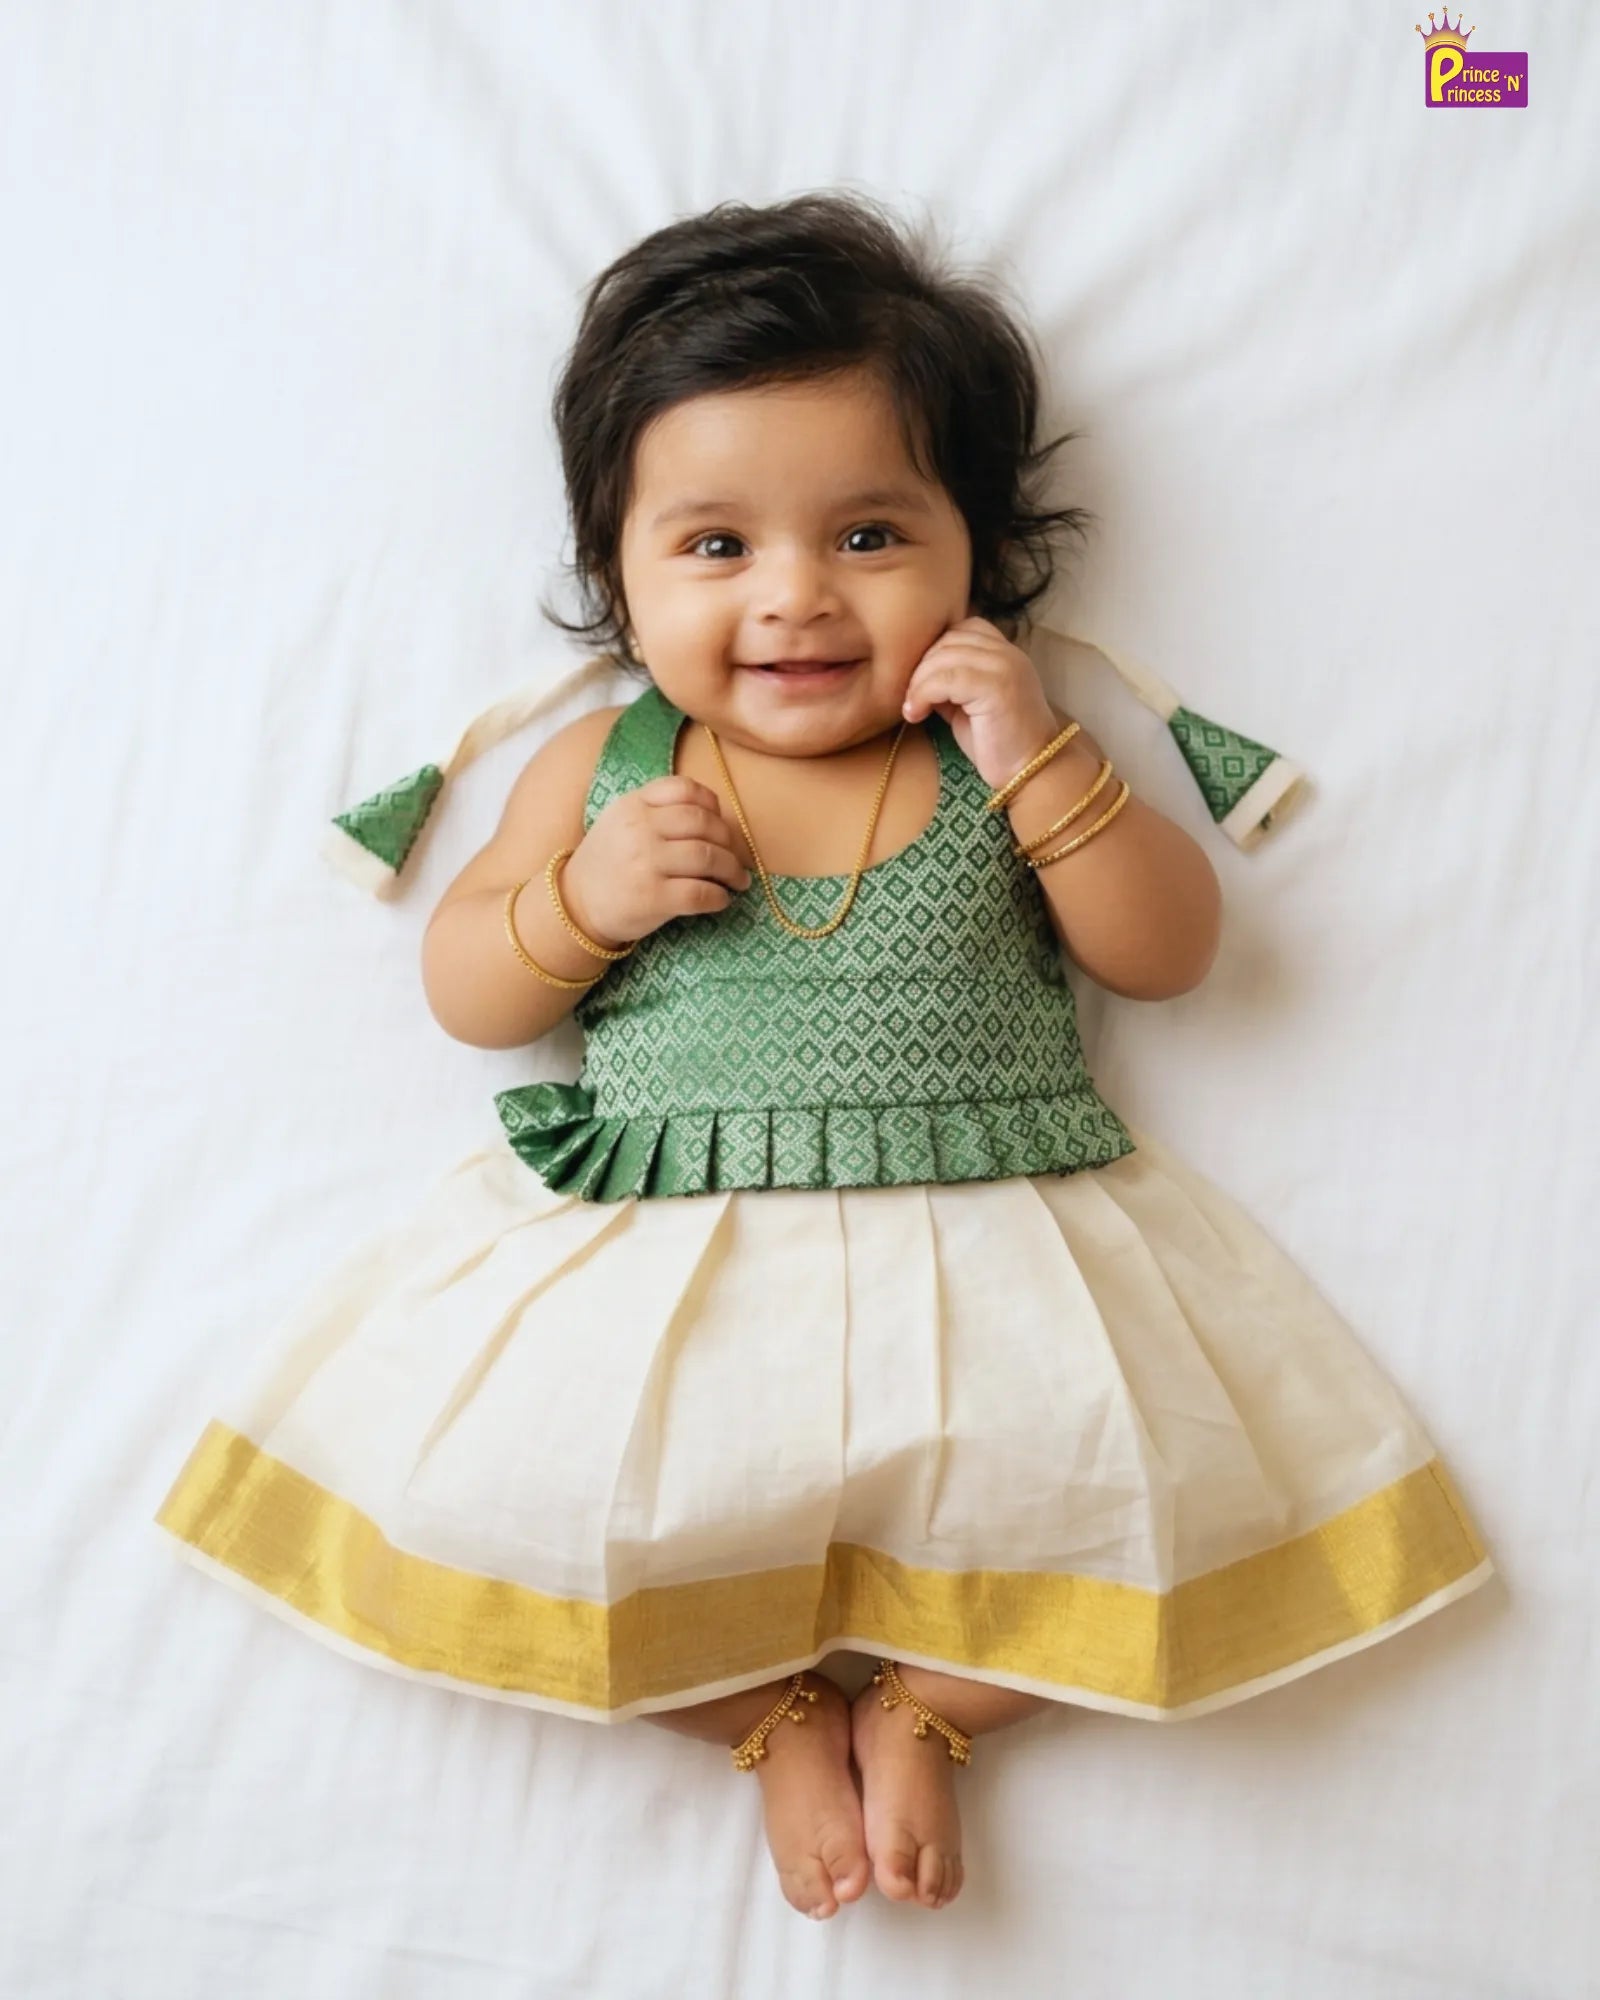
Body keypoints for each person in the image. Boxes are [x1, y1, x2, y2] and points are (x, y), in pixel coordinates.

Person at [154, 189, 1495, 1924]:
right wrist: (577, 897)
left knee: (1129, 1504)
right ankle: (769, 1710)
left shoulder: (997, 745)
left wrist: (1038, 764)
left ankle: (937, 1702)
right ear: (615, 580)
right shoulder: (610, 763)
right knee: (552, 1521)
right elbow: (470, 992)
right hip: (667, 1249)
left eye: (868, 535)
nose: (795, 599)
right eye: (715, 548)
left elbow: (1168, 956)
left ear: (977, 550)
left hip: (992, 1230)